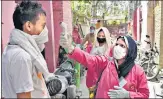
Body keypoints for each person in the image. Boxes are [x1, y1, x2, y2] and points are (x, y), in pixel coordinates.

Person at [60, 22, 149, 98]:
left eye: (122, 46)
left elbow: (145, 94)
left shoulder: (138, 71)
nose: (118, 48)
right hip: (92, 84)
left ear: (130, 51)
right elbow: (89, 59)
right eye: (117, 44)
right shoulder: (106, 62)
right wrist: (70, 48)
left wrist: (128, 95)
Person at [2, 1, 55, 98]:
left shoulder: (12, 49)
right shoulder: (22, 57)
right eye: (42, 26)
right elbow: (23, 96)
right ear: (29, 26)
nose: (45, 30)